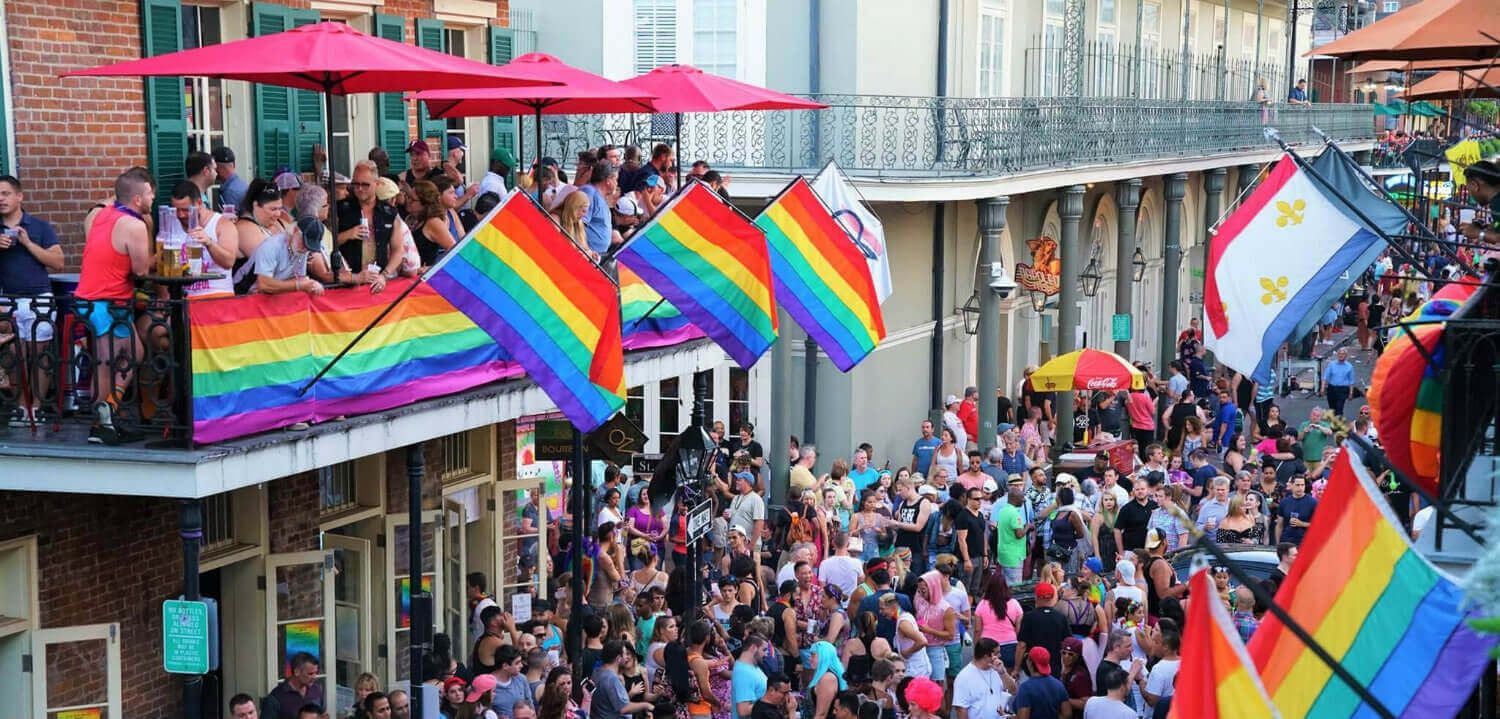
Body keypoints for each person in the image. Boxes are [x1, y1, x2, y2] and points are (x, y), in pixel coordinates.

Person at [77, 167, 154, 445]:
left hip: (99, 299)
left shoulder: (102, 215)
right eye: (150, 193)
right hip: (105, 302)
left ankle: (108, 408)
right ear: (137, 199)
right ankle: (101, 426)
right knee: (106, 362)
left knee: (134, 352)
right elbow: (142, 270)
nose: (153, 197)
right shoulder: (134, 226)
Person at [0, 174, 63, 423]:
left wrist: (27, 243)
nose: (0, 199)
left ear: (19, 196)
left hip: (39, 298)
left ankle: (34, 408)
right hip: (7, 299)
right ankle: (18, 404)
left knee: (39, 352)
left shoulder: (39, 227)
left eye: (5, 193)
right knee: (15, 354)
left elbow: (58, 262)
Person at [1013, 582, 1070, 677]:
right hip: (1054, 667)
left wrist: (1016, 669)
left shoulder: (1029, 617)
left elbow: (1022, 645)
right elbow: (1066, 642)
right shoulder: (1060, 617)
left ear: (1037, 597)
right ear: (1052, 597)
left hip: (1032, 667)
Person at [953, 638, 1017, 719]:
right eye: (997, 653)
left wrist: (1003, 673)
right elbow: (961, 710)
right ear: (986, 656)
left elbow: (1013, 691)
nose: (1000, 655)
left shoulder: (998, 669)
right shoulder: (963, 677)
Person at [593, 640, 657, 719]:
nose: (626, 657)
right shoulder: (612, 679)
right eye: (624, 654)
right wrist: (646, 705)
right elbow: (623, 708)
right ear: (618, 659)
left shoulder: (597, 672)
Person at [1010, 647, 1069, 719]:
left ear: (1030, 662)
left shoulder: (1025, 688)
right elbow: (1067, 714)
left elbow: (1023, 717)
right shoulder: (1058, 684)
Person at [263, 653, 325, 719]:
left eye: (316, 673)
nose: (314, 677)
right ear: (296, 672)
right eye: (310, 673)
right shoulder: (275, 698)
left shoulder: (316, 690)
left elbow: (322, 714)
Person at [993, 475, 1029, 584]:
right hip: (1014, 556)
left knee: (1005, 583)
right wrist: (1027, 527)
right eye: (1021, 498)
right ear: (1014, 498)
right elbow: (1019, 534)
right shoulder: (1014, 514)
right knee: (1015, 586)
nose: (1023, 500)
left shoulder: (1003, 511)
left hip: (1004, 553)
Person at [578, 163, 621, 256]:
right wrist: (586, 250)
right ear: (608, 180)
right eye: (616, 179)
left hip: (598, 255)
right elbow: (579, 223)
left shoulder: (601, 197)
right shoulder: (589, 192)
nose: (617, 183)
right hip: (588, 255)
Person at [1275, 475, 1317, 546]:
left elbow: (1318, 524)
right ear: (1291, 485)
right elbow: (1279, 525)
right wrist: (1278, 544)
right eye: (1297, 485)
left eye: (1302, 485)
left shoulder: (1313, 502)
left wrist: (1302, 524)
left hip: (1305, 543)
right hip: (1286, 542)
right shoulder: (1284, 502)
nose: (1300, 488)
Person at [1321, 348, 1356, 416]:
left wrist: (1351, 393)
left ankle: (1339, 424)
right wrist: (1322, 388)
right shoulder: (1332, 364)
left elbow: (1351, 381)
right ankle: (1333, 424)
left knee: (1339, 408)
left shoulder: (1349, 367)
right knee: (1332, 409)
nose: (1341, 355)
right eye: (1339, 354)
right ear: (1337, 355)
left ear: (1346, 355)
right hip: (1332, 388)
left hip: (1342, 389)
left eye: (1343, 354)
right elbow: (1325, 377)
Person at [213, 146, 248, 211]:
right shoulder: (242, 184)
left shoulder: (230, 192)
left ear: (217, 168)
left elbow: (230, 220)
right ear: (234, 164)